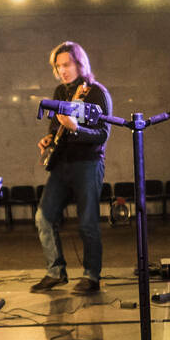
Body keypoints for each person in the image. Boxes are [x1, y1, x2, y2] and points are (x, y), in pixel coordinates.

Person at [32, 41, 111, 293]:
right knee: (43, 217)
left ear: (80, 63)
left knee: (87, 222)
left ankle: (91, 276)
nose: (63, 70)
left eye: (67, 64)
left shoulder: (96, 92)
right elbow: (55, 128)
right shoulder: (60, 92)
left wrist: (76, 129)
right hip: (61, 164)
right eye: (58, 66)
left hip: (88, 164)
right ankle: (56, 272)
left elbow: (102, 134)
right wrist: (48, 139)